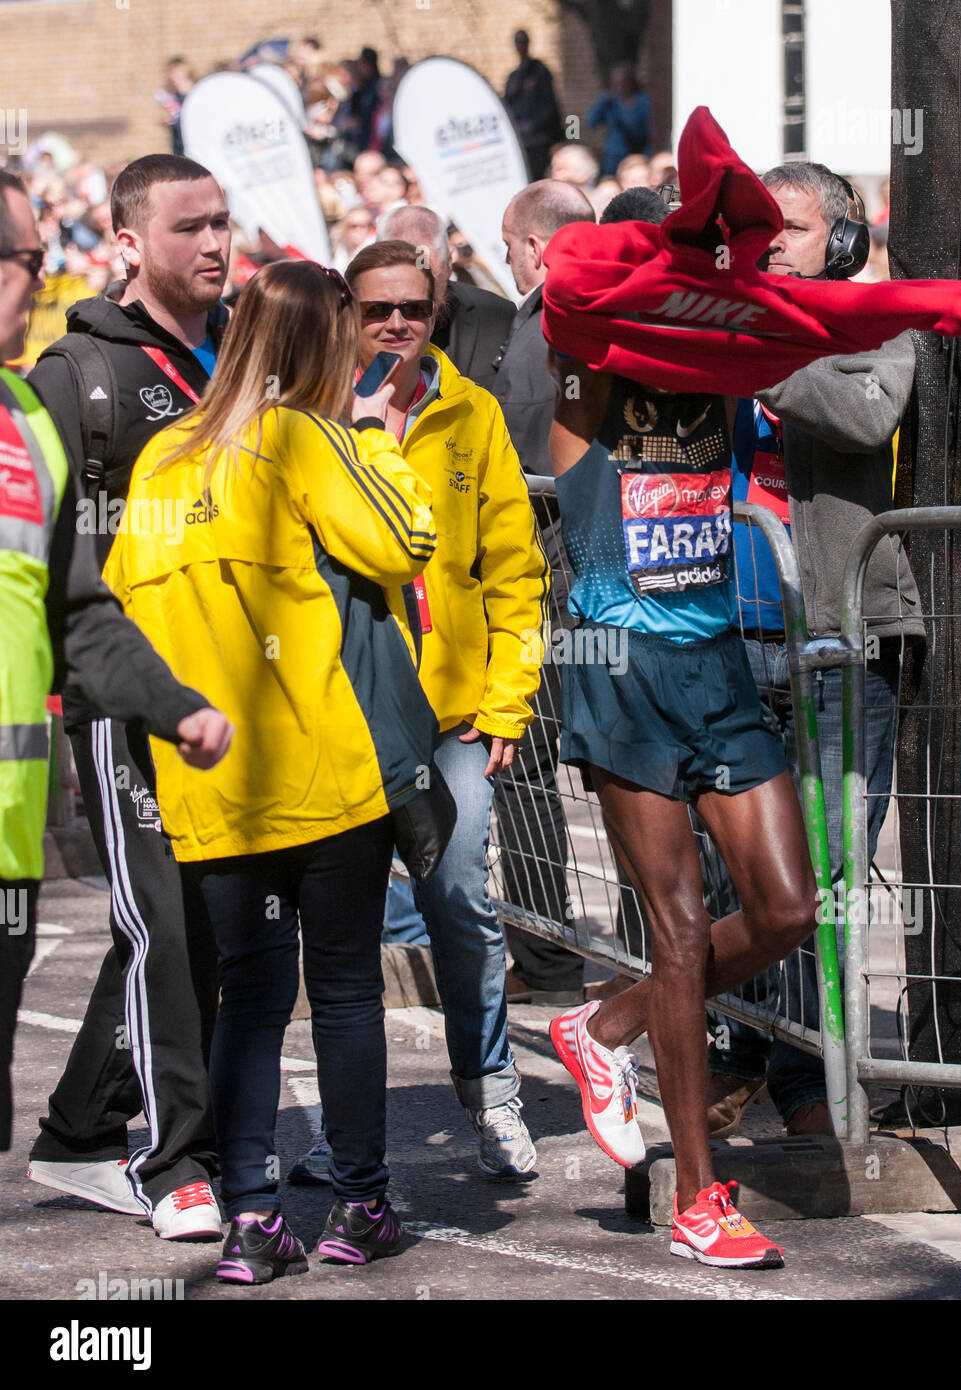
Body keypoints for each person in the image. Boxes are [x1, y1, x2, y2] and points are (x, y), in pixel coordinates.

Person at [104, 259, 439, 1284]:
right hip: (320, 764)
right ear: (323, 348)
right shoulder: (302, 437)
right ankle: (361, 1203)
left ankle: (250, 1215)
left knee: (248, 996)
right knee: (340, 992)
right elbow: (403, 541)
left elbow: (119, 599)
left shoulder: (165, 456)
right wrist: (377, 441)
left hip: (209, 774)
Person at [544, 197, 818, 1266]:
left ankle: (603, 1025)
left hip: (714, 666)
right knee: (679, 934)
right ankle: (699, 1195)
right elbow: (572, 296)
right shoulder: (583, 387)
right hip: (620, 670)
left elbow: (782, 315)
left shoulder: (720, 379)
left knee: (788, 908)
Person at [0, 168, 232, 1156]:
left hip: (188, 702)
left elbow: (68, 592)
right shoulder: (74, 375)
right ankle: (171, 1156)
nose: (216, 242)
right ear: (130, 243)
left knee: (194, 924)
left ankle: (88, 1116)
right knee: (164, 930)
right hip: (110, 716)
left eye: (225, 221)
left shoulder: (231, 364)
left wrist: (185, 701)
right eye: (191, 226)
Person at [705, 161, 923, 1138]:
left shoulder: (877, 319)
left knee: (826, 867)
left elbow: (865, 411)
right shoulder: (724, 320)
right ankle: (744, 1044)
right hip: (725, 630)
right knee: (739, 868)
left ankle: (808, 1074)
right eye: (757, 229)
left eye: (787, 228)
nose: (770, 244)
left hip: (839, 636)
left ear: (839, 238)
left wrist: (757, 353)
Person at [339, 238, 548, 1177]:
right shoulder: (312, 416)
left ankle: (492, 1088)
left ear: (435, 316)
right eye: (378, 308)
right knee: (337, 929)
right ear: (348, 312)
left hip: (454, 718)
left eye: (412, 310)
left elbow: (513, 567)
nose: (395, 324)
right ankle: (354, 1141)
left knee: (460, 901)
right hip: (343, 716)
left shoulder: (475, 414)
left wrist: (506, 704)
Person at [492, 179, 594, 1005]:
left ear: (531, 247)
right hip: (597, 582)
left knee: (524, 768)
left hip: (552, 581)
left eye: (506, 248)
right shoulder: (605, 312)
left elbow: (524, 464)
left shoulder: (542, 329)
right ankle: (627, 947)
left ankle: (549, 953)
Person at [378, 204, 514, 392]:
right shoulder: (351, 325)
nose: (416, 300)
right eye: (401, 282)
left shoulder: (497, 314)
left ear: (449, 261)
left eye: (428, 284)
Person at [504, 30, 564, 181]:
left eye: (523, 42)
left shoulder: (540, 71)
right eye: (518, 43)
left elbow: (550, 105)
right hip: (522, 141)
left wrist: (533, 125)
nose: (521, 46)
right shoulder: (514, 77)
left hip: (540, 138)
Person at [585, 64, 652, 178]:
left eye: (623, 82)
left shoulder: (643, 101)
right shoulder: (609, 101)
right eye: (616, 83)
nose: (620, 86)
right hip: (613, 158)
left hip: (636, 155)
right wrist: (603, 102)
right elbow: (591, 121)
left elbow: (644, 130)